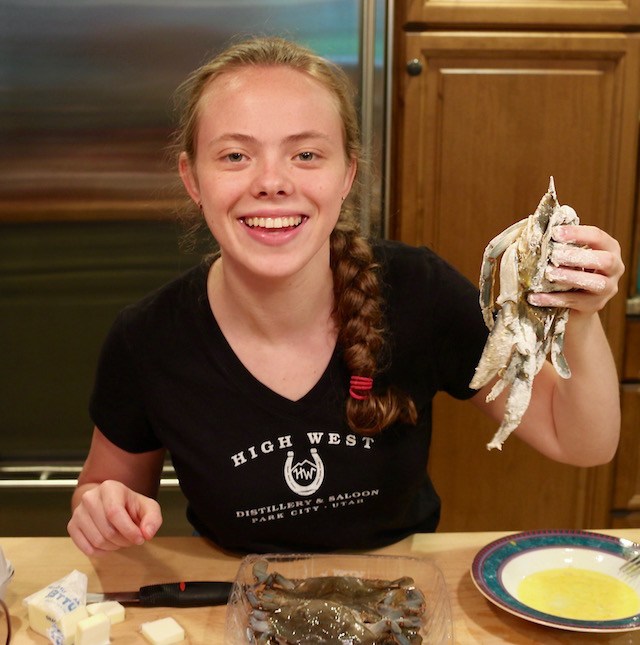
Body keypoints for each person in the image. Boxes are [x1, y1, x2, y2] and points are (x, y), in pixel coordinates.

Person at [67, 36, 624, 556]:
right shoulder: (147, 339)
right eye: (235, 156)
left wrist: (583, 314)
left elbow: (580, 441)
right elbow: (103, 487)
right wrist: (102, 511)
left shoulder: (419, 292)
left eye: (306, 155)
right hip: (234, 604)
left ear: (347, 174)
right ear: (192, 178)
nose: (272, 181)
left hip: (401, 604)